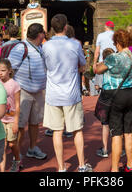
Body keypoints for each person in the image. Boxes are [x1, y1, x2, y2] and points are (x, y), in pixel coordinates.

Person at [42, 14, 92, 172]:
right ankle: (82, 165)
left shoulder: (46, 46)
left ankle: (61, 167)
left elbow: (45, 67)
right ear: (65, 27)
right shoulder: (75, 44)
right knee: (77, 130)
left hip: (53, 93)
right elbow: (83, 65)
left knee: (57, 131)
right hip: (71, 93)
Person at [95, 29, 132, 172]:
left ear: (118, 43)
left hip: (115, 95)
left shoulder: (114, 58)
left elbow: (98, 70)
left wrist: (96, 63)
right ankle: (130, 165)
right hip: (130, 93)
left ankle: (114, 168)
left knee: (117, 133)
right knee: (128, 131)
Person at [7, 23, 47, 161]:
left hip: (38, 91)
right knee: (20, 124)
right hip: (23, 91)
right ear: (39, 34)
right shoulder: (20, 48)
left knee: (35, 122)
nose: (44, 35)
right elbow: (9, 68)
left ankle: (32, 148)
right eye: (43, 33)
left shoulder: (41, 47)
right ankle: (16, 154)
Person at [93, 21, 116, 158]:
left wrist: (95, 64)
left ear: (105, 27)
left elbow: (97, 51)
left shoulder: (101, 35)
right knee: (117, 121)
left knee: (105, 122)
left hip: (104, 64)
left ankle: (105, 149)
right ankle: (120, 147)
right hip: (118, 91)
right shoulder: (115, 36)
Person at [0, 59, 21, 173]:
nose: (0, 73)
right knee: (3, 145)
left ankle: (17, 159)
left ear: (9, 71)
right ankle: (2, 170)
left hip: (11, 119)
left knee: (12, 144)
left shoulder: (14, 85)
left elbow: (17, 105)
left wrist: (16, 122)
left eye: (3, 70)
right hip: (0, 119)